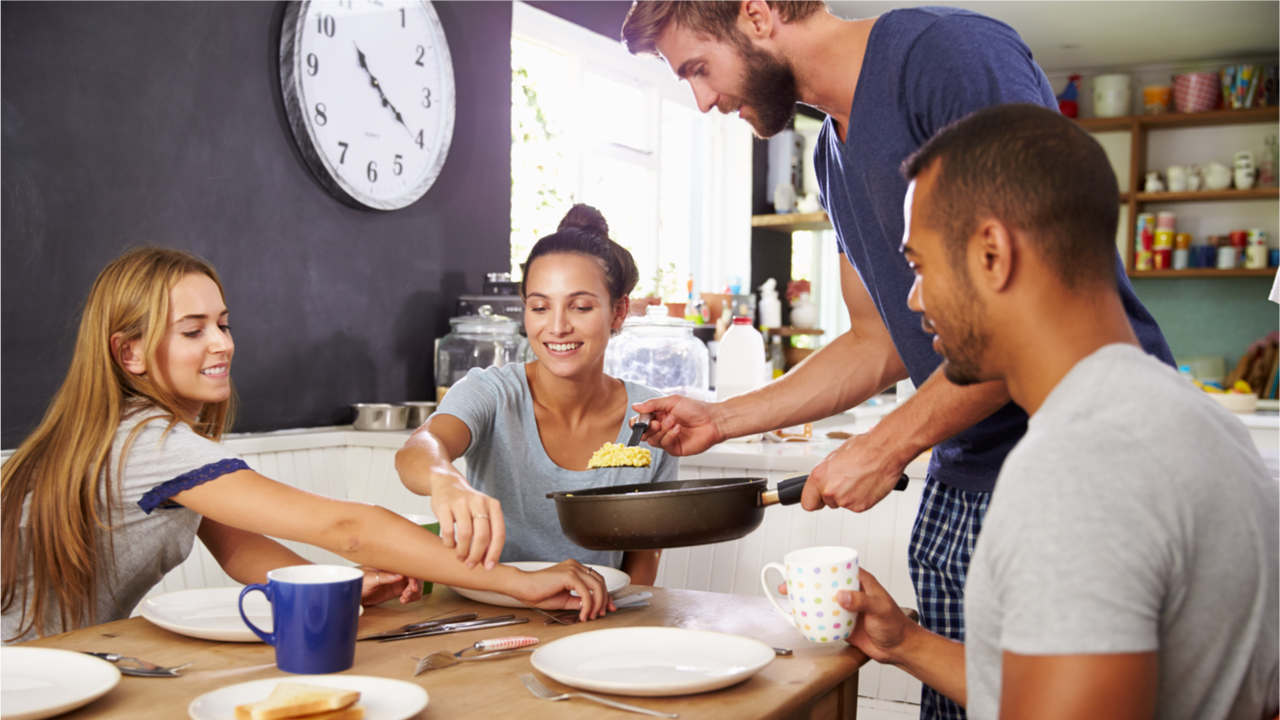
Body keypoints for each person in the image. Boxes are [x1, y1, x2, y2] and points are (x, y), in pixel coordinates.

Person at [619, 4, 1174, 718]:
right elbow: (874, 339)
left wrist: (889, 443)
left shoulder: (944, 57)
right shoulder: (831, 156)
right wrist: (721, 419)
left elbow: (1037, 299)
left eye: (697, 67)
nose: (701, 101)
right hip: (964, 469)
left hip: (1081, 461)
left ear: (755, 14)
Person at [834, 103, 1280, 720]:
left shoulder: (1074, 468)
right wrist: (906, 645)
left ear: (992, 253)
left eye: (918, 265)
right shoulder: (1206, 427)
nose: (913, 298)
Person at [1, 247, 613, 644]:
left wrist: (344, 587)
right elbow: (348, 527)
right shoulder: (149, 442)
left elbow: (240, 551)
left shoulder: (146, 439)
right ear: (128, 352)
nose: (222, 343)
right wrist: (516, 583)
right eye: (193, 330)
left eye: (223, 322)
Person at [395, 205, 674, 585]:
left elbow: (642, 562)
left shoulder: (649, 417)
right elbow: (420, 447)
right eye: (539, 307)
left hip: (596, 616)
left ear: (618, 311)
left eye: (580, 306)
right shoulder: (491, 393)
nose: (557, 327)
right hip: (486, 609)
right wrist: (445, 479)